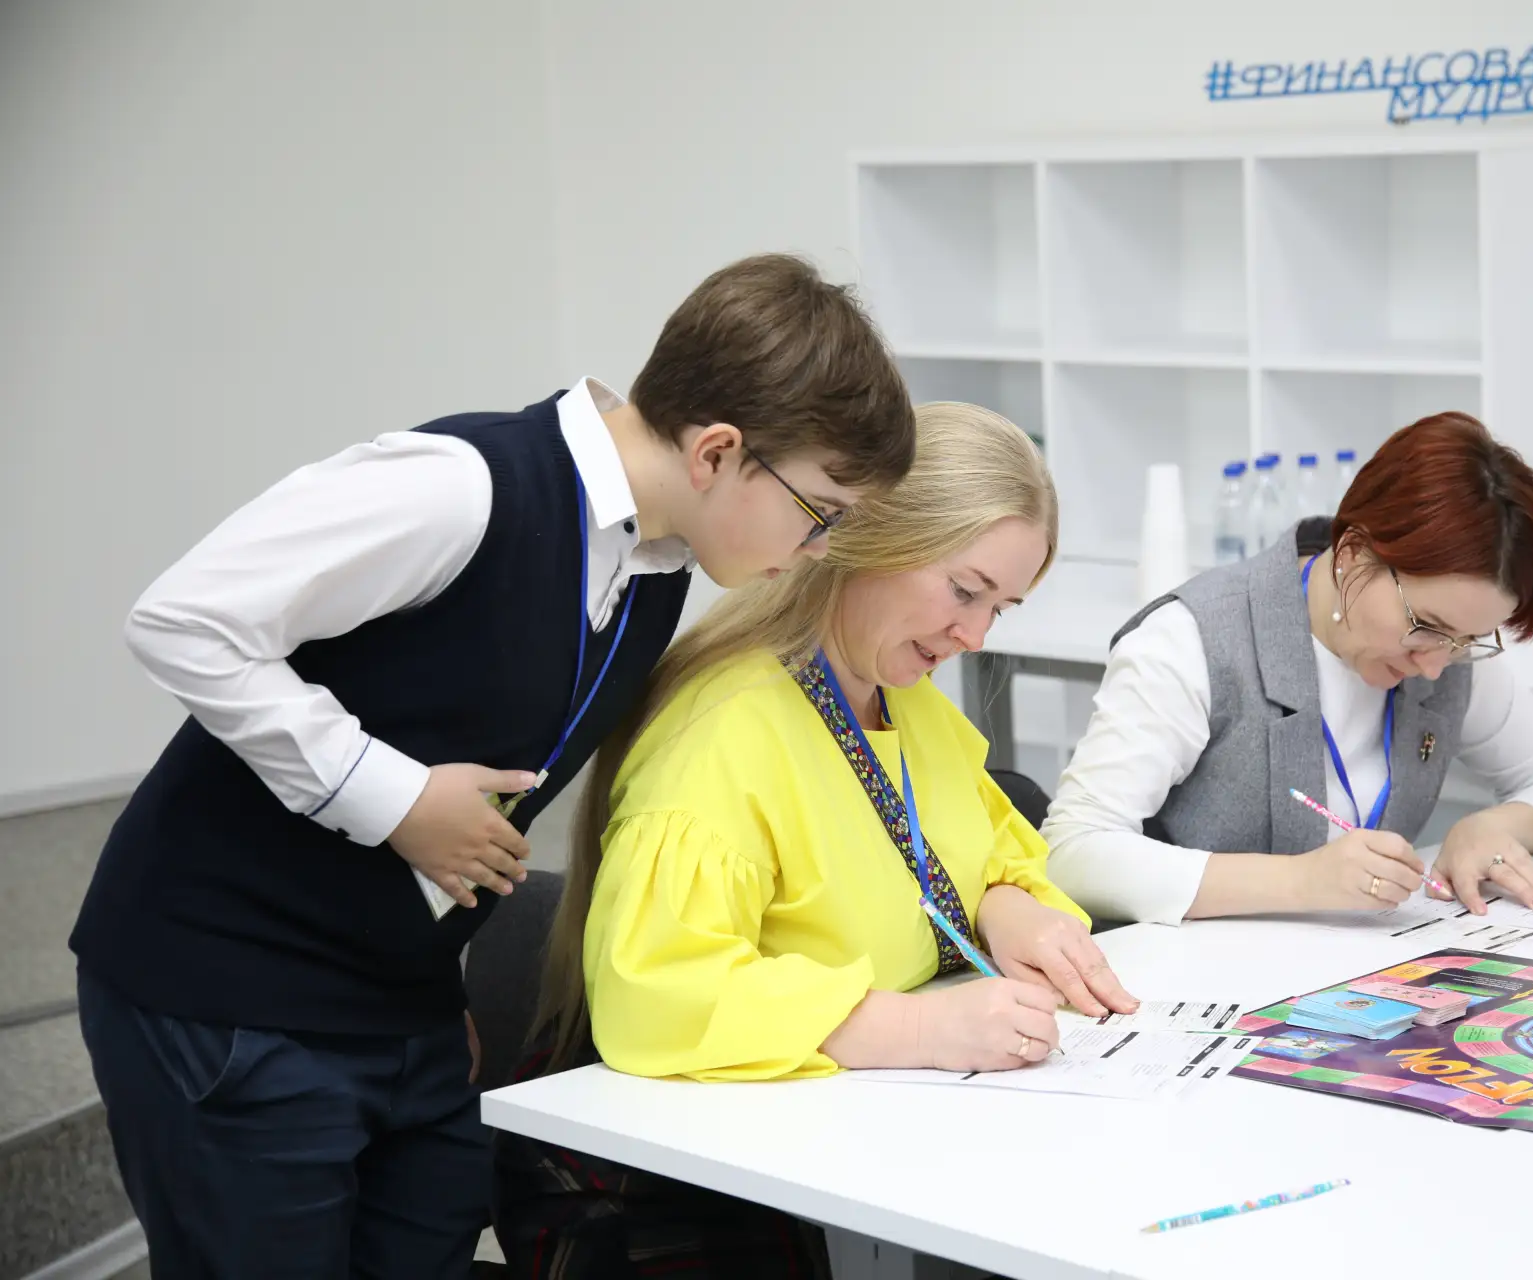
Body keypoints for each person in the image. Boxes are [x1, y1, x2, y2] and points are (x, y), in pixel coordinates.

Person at [68, 254, 915, 1279]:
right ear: (719, 451)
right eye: (820, 510)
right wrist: (389, 796)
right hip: (228, 988)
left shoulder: (658, 565)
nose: (821, 546)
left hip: (395, 1001)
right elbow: (183, 619)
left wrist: (430, 989)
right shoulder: (459, 486)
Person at [494, 402, 1133, 1279]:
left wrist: (1005, 902)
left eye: (1003, 607)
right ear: (868, 537)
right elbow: (657, 994)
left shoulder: (899, 700)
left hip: (837, 1152)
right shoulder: (726, 731)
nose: (977, 636)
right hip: (672, 1186)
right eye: (964, 591)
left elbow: (976, 842)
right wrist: (914, 1027)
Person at [1042, 411, 1533, 925]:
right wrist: (1299, 882)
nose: (1435, 666)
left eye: (1468, 641)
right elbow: (1073, 850)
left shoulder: (1446, 649)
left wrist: (1491, 827)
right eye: (1426, 625)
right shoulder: (1193, 640)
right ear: (1353, 556)